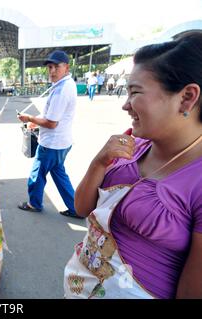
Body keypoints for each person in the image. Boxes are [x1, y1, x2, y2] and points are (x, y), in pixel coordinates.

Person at [65, 31, 202, 299]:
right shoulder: (131, 146)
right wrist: (98, 162)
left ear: (186, 98)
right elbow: (82, 207)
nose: (125, 105)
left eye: (135, 92)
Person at [17, 50, 80, 218]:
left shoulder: (62, 90)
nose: (52, 71)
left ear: (66, 67)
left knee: (36, 175)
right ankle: (76, 208)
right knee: (59, 174)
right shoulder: (66, 85)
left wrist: (29, 117)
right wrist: (35, 121)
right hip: (62, 142)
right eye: (50, 67)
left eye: (56, 67)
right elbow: (52, 117)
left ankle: (34, 204)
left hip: (52, 143)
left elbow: (52, 123)